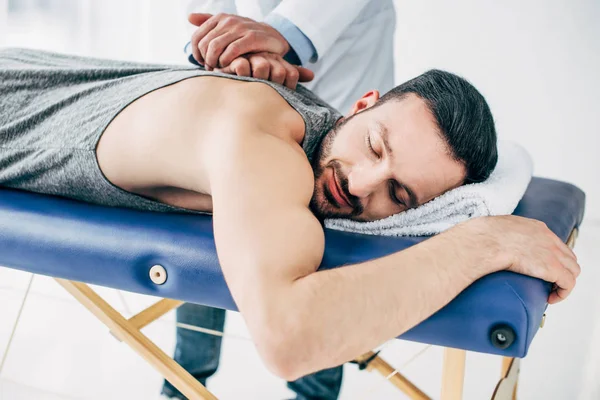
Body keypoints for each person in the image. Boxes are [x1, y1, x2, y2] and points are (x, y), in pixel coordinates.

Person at [0, 47, 579, 400]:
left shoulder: (307, 120)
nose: (359, 185)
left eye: (399, 195)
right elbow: (289, 338)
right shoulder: (265, 143)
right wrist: (477, 244)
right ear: (360, 104)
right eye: (374, 145)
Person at [169, 1, 396, 397]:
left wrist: (280, 35)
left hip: (343, 137)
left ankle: (314, 394)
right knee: (207, 222)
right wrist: (225, 46)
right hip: (247, 108)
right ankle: (184, 385)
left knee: (324, 247)